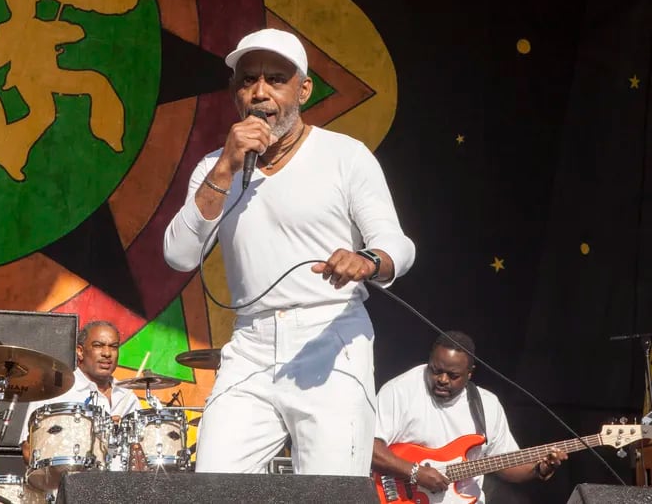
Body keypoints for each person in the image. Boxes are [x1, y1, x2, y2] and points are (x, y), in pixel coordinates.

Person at [162, 28, 416, 476]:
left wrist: (368, 260)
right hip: (251, 344)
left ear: (303, 89)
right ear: (234, 92)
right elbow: (179, 255)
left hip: (330, 336)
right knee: (213, 484)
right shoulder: (215, 167)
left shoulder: (344, 156)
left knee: (328, 490)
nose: (260, 92)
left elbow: (397, 244)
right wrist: (226, 165)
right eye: (248, 80)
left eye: (276, 79)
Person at [372, 331, 568, 503]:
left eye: (452, 375)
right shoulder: (400, 391)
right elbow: (371, 449)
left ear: (469, 374)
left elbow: (506, 464)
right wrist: (416, 473)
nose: (442, 379)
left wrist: (539, 468)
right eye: (436, 370)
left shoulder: (487, 405)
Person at [19, 320, 141, 467]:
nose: (107, 353)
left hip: (121, 487)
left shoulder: (128, 397)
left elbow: (142, 454)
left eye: (113, 347)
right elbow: (28, 450)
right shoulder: (54, 391)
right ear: (80, 351)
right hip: (69, 485)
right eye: (98, 346)